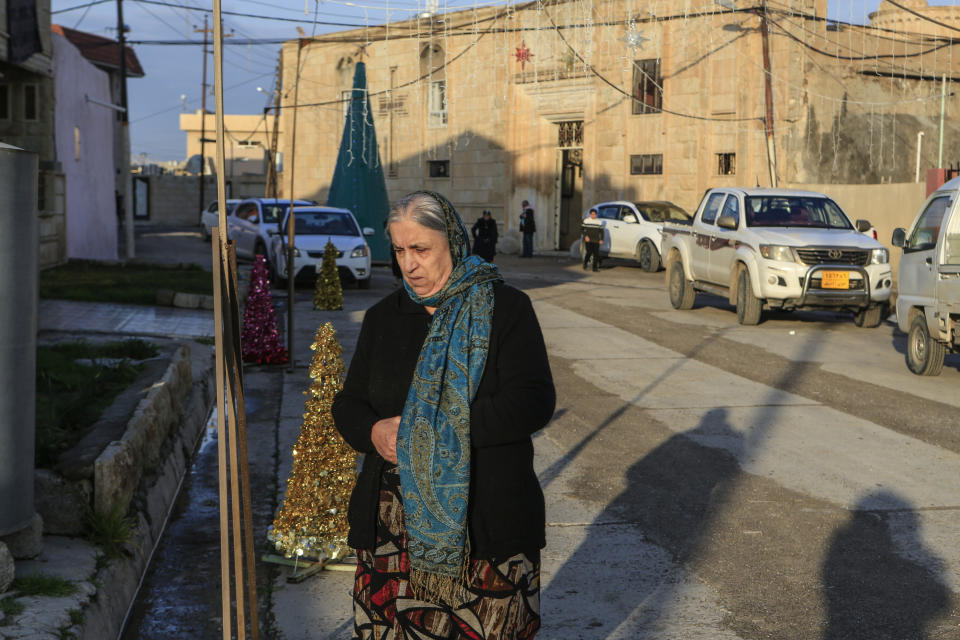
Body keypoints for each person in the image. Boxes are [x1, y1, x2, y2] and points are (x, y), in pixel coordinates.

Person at [333, 191, 555, 639]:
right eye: (399, 250)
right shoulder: (382, 319)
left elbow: (532, 401)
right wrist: (373, 431)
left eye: (420, 249)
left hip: (486, 530)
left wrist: (434, 431)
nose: (408, 264)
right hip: (393, 536)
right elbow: (349, 403)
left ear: (452, 242)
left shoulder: (505, 310)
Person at [581, 207, 603, 272]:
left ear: (596, 215)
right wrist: (585, 236)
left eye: (594, 214)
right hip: (588, 240)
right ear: (590, 214)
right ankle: (585, 263)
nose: (593, 215)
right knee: (589, 252)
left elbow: (601, 232)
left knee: (596, 254)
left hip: (596, 240)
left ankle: (594, 268)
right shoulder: (586, 221)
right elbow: (581, 229)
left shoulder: (599, 222)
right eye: (592, 214)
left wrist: (601, 239)